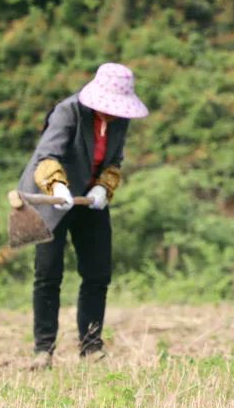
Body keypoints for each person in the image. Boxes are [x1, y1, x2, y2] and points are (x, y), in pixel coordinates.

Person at [17, 62, 148, 370]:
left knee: (98, 273)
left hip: (89, 199)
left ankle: (91, 346)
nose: (113, 113)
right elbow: (47, 156)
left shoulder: (120, 121)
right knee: (48, 274)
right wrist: (58, 186)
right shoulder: (69, 112)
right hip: (53, 197)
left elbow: (113, 160)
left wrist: (104, 187)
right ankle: (43, 350)